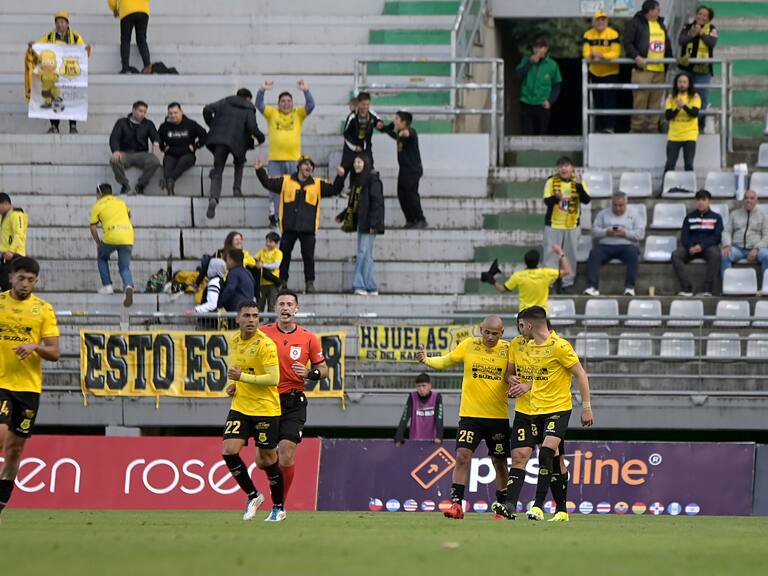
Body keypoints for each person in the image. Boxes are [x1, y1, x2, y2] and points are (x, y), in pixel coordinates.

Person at [492, 307, 593, 522]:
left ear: (529, 325)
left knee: (548, 454)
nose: (519, 330)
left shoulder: (560, 346)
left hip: (556, 409)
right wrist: (513, 381)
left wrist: (586, 407)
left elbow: (581, 375)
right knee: (524, 457)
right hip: (527, 410)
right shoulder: (519, 345)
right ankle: (511, 505)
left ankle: (540, 506)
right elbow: (518, 374)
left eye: (521, 325)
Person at [416, 316, 510, 520]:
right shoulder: (469, 344)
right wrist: (427, 360)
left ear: (502, 333)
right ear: (481, 329)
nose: (490, 337)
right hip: (470, 416)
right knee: (461, 456)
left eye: (495, 333)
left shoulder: (509, 349)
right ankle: (456, 505)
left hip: (497, 417)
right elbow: (447, 360)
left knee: (500, 462)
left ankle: (502, 507)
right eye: (487, 332)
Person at [0, 257, 60, 522]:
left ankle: (1, 501)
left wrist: (35, 347)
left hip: (28, 389)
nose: (25, 284)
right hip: (1, 383)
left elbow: (54, 352)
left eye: (31, 280)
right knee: (0, 435)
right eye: (21, 278)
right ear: (11, 277)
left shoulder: (43, 310)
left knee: (15, 450)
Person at [258, 290, 327, 504]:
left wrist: (310, 373)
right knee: (261, 460)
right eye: (281, 304)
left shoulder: (308, 338)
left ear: (296, 309)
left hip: (293, 401)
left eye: (289, 304)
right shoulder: (262, 334)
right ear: (275, 308)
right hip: (266, 400)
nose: (285, 308)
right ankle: (271, 465)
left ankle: (279, 506)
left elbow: (323, 369)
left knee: (287, 451)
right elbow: (247, 360)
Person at [220, 301, 285, 522]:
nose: (251, 320)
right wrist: (234, 385)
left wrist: (242, 378)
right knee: (229, 451)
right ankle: (253, 495)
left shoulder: (266, 345)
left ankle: (278, 507)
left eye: (255, 316)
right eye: (247, 315)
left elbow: (273, 379)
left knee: (267, 459)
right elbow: (240, 370)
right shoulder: (234, 341)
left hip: (265, 409)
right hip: (240, 406)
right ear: (237, 318)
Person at [254, 156, 344, 294]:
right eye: (306, 164)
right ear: (299, 166)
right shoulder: (286, 181)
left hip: (308, 229)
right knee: (285, 256)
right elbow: (268, 183)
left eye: (311, 165)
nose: (309, 167)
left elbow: (335, 189)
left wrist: (340, 176)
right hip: (289, 228)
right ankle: (282, 281)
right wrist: (260, 170)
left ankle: (309, 283)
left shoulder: (317, 184)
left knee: (308, 257)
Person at [256, 79, 315, 227]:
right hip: (275, 160)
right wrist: (262, 90)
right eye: (283, 101)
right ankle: (275, 217)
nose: (286, 104)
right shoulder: (272, 113)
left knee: (295, 189)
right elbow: (259, 105)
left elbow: (310, 105)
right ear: (278, 103)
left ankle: (293, 218)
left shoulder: (298, 113)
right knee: (274, 190)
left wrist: (306, 90)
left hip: (294, 160)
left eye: (289, 101)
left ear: (293, 103)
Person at [203, 88, 265, 219]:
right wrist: (261, 138)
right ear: (248, 98)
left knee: (218, 169)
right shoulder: (249, 108)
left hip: (219, 139)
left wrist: (212, 124)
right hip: (238, 141)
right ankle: (236, 189)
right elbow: (252, 127)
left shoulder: (225, 101)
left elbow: (207, 109)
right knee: (239, 162)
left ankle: (214, 197)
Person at [27, 11, 92, 134]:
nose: (59, 24)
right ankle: (54, 126)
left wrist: (87, 50)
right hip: (54, 75)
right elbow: (39, 47)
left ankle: (73, 126)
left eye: (62, 22)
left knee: (72, 98)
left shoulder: (75, 37)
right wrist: (33, 46)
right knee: (53, 97)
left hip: (70, 76)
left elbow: (83, 53)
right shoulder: (50, 36)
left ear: (67, 24)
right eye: (57, 22)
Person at [337, 156, 385, 296]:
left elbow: (377, 203)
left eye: (359, 162)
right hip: (362, 222)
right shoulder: (358, 180)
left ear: (365, 163)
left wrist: (373, 224)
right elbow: (355, 203)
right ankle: (370, 286)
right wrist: (343, 215)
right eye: (354, 162)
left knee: (363, 253)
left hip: (369, 223)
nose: (356, 164)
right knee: (367, 255)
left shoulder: (372, 179)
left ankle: (358, 284)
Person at [542, 157, 591, 293]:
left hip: (572, 226)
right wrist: (556, 198)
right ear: (557, 169)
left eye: (567, 166)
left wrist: (579, 186)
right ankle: (550, 284)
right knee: (550, 256)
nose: (564, 169)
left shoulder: (579, 181)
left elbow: (586, 200)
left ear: (572, 168)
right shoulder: (551, 181)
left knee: (570, 255)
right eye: (561, 166)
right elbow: (547, 201)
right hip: (553, 225)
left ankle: (567, 283)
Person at [623, 0, 673, 133]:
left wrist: (669, 60)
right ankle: (637, 127)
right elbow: (627, 43)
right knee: (640, 100)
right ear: (650, 11)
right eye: (657, 9)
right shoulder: (635, 23)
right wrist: (636, 56)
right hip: (643, 69)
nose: (659, 12)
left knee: (656, 101)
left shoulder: (661, 24)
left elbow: (667, 44)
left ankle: (652, 127)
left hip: (659, 69)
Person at [584, 192, 645, 296]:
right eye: (615, 205)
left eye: (621, 205)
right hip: (605, 246)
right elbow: (594, 231)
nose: (617, 208)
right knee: (594, 253)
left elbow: (640, 234)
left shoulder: (634, 214)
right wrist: (606, 232)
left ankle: (629, 287)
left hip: (627, 246)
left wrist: (625, 233)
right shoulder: (603, 214)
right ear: (612, 203)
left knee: (633, 253)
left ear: (626, 204)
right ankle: (592, 287)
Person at [482, 245, 570, 311]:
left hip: (524, 314)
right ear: (538, 261)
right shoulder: (546, 273)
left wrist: (491, 280)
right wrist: (560, 253)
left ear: (525, 261)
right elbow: (566, 271)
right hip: (541, 314)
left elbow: (502, 289)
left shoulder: (518, 275)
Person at [89, 183, 135, 307]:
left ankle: (107, 286)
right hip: (127, 236)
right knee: (124, 267)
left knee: (102, 257)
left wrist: (98, 243)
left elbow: (93, 228)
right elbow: (129, 216)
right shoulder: (121, 202)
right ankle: (128, 286)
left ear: (99, 194)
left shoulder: (97, 205)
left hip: (111, 236)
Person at [672, 189, 723, 296]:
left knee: (716, 255)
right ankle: (687, 288)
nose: (701, 202)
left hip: (707, 247)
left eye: (703, 200)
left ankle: (707, 289)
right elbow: (684, 236)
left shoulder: (716, 218)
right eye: (698, 200)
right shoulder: (689, 217)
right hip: (691, 248)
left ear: (709, 201)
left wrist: (702, 246)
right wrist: (690, 246)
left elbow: (716, 237)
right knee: (676, 255)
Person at [383, 110, 427, 228]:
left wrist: (403, 132)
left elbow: (408, 133)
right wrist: (385, 128)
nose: (395, 121)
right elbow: (394, 135)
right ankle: (410, 220)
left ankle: (420, 219)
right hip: (404, 170)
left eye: (397, 119)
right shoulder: (399, 134)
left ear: (404, 122)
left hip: (413, 169)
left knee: (411, 194)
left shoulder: (410, 132)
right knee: (402, 194)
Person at [109, 100, 161, 195]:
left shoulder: (148, 123)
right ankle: (125, 185)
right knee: (114, 160)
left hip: (142, 154)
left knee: (155, 161)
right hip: (125, 153)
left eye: (144, 112)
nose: (142, 114)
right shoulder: (121, 122)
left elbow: (155, 136)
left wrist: (156, 143)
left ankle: (141, 185)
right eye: (140, 111)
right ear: (133, 110)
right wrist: (115, 151)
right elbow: (114, 138)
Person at [679, 5, 717, 128]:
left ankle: (699, 125)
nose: (701, 17)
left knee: (701, 97)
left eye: (705, 15)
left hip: (703, 70)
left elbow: (712, 43)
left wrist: (701, 34)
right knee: (683, 95)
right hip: (686, 68)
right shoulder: (687, 27)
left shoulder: (712, 29)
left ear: (709, 18)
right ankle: (683, 122)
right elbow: (681, 41)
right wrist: (693, 34)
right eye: (699, 14)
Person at [721, 189, 768, 290]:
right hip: (737, 248)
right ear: (743, 200)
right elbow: (726, 231)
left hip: (756, 248)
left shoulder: (763, 216)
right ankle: (727, 287)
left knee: (767, 256)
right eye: (746, 198)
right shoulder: (734, 214)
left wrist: (757, 248)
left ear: (756, 201)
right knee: (725, 256)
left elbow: (766, 236)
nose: (748, 200)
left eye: (752, 198)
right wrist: (727, 245)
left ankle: (765, 287)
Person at [583, 11, 621, 133]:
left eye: (603, 20)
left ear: (607, 21)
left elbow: (616, 53)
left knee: (609, 101)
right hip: (594, 72)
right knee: (597, 101)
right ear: (593, 22)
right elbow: (586, 52)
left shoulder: (613, 34)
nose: (600, 22)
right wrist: (591, 56)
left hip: (610, 72)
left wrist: (601, 56)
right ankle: (599, 127)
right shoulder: (588, 34)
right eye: (598, 20)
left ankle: (610, 127)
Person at [158, 102, 207, 196]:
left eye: (175, 112)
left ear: (181, 112)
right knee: (167, 165)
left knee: (182, 162)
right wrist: (163, 148)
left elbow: (204, 136)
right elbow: (158, 139)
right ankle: (170, 190)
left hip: (187, 154)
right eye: (170, 113)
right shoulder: (164, 126)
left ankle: (168, 180)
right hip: (171, 154)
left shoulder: (191, 124)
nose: (173, 115)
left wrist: (195, 146)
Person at [515, 38, 562, 135]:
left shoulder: (552, 65)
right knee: (527, 133)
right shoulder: (526, 60)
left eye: (541, 47)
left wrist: (550, 101)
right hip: (526, 103)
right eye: (535, 47)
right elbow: (518, 76)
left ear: (546, 49)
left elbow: (557, 86)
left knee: (542, 134)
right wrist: (530, 63)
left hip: (542, 105)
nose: (538, 50)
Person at [664, 72, 701, 172]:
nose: (682, 84)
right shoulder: (671, 98)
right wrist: (677, 109)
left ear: (689, 84)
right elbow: (668, 116)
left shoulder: (695, 97)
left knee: (688, 164)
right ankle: (665, 182)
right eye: (680, 82)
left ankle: (690, 182)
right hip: (674, 135)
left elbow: (694, 114)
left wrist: (684, 106)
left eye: (685, 82)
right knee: (670, 164)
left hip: (690, 134)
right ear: (676, 84)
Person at [394, 373, 444, 446]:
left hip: (432, 441)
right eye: (418, 386)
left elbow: (439, 418)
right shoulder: (412, 397)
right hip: (414, 441)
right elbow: (405, 417)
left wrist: (439, 436)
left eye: (424, 386)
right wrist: (398, 437)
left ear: (430, 386)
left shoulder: (436, 397)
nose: (421, 389)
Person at [342, 92, 384, 176]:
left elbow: (378, 120)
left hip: (366, 147)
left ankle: (371, 184)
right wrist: (354, 147)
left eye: (368, 104)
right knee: (343, 171)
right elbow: (346, 134)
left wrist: (379, 123)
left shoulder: (371, 114)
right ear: (358, 104)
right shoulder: (352, 116)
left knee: (370, 169)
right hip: (351, 148)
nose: (365, 107)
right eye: (363, 104)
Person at [108, 0, 151, 74]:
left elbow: (112, 1)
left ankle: (125, 68)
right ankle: (147, 66)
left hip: (127, 10)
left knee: (125, 40)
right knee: (141, 39)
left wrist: (114, 8)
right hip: (143, 10)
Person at [0, 194, 28, 292]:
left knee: (9, 285)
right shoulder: (4, 217)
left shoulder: (16, 215)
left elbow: (19, 234)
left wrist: (11, 251)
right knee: (4, 284)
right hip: (5, 257)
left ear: (5, 203)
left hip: (13, 256)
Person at [255, 232, 283, 313]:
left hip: (273, 283)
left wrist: (262, 265)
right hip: (262, 283)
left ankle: (272, 321)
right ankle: (259, 320)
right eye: (267, 241)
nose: (268, 243)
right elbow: (254, 259)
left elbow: (276, 265)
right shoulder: (262, 251)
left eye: (270, 242)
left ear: (276, 243)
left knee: (272, 305)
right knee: (259, 305)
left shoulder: (278, 253)